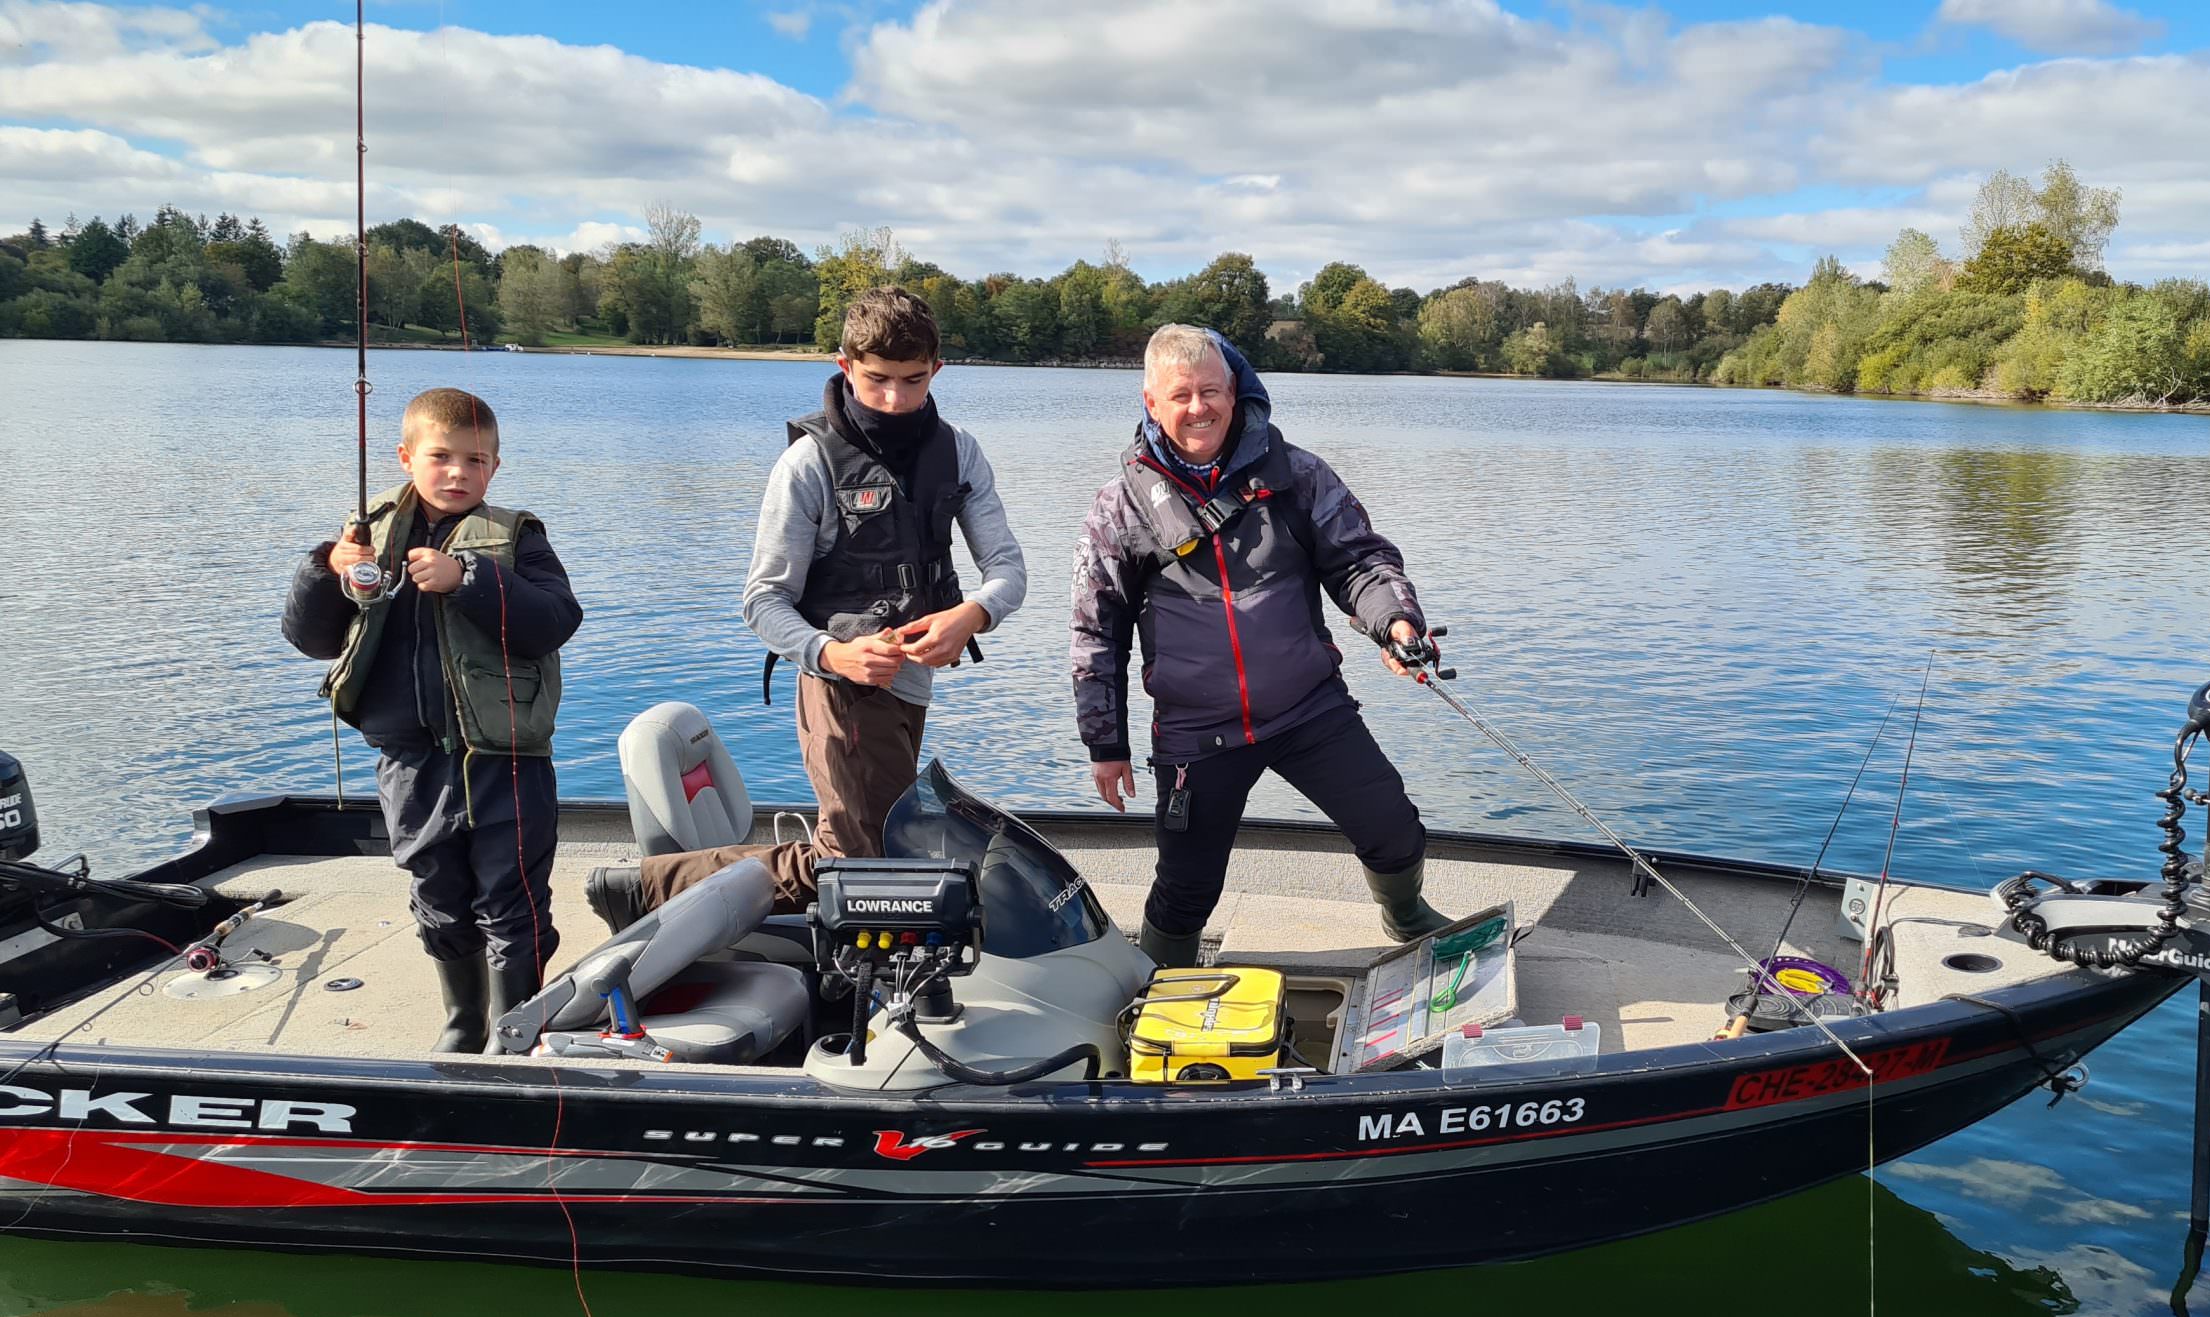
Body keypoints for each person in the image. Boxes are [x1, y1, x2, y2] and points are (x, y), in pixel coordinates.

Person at [587, 285, 1024, 926]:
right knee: (856, 861)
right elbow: (762, 600)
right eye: (877, 381)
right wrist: (834, 653)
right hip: (840, 689)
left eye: (913, 380)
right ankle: (651, 890)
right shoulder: (807, 464)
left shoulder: (959, 451)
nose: (896, 400)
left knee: (867, 849)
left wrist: (974, 614)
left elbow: (1007, 570)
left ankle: (652, 888)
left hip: (914, 684)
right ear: (845, 366)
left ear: (938, 370)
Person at [1069, 324, 1451, 966]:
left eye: (1211, 391)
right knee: (1186, 888)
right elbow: (1096, 633)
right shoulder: (1120, 508)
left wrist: (1396, 622)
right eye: (1181, 394)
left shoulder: (1297, 474)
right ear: (1151, 401)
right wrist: (1106, 744)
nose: (1199, 408)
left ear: (1235, 389)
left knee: (1395, 831)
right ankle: (1159, 983)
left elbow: (1360, 563)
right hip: (1196, 732)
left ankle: (1406, 914)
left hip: (1309, 709)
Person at [282, 387, 584, 1053]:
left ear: (495, 468)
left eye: (475, 461)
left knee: (514, 902)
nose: (457, 473)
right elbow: (311, 639)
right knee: (438, 895)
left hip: (506, 763)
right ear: (406, 457)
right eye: (441, 457)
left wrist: (467, 579)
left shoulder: (520, 540)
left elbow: (555, 622)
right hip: (411, 760)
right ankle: (463, 1024)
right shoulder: (366, 536)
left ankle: (516, 1032)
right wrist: (324, 571)